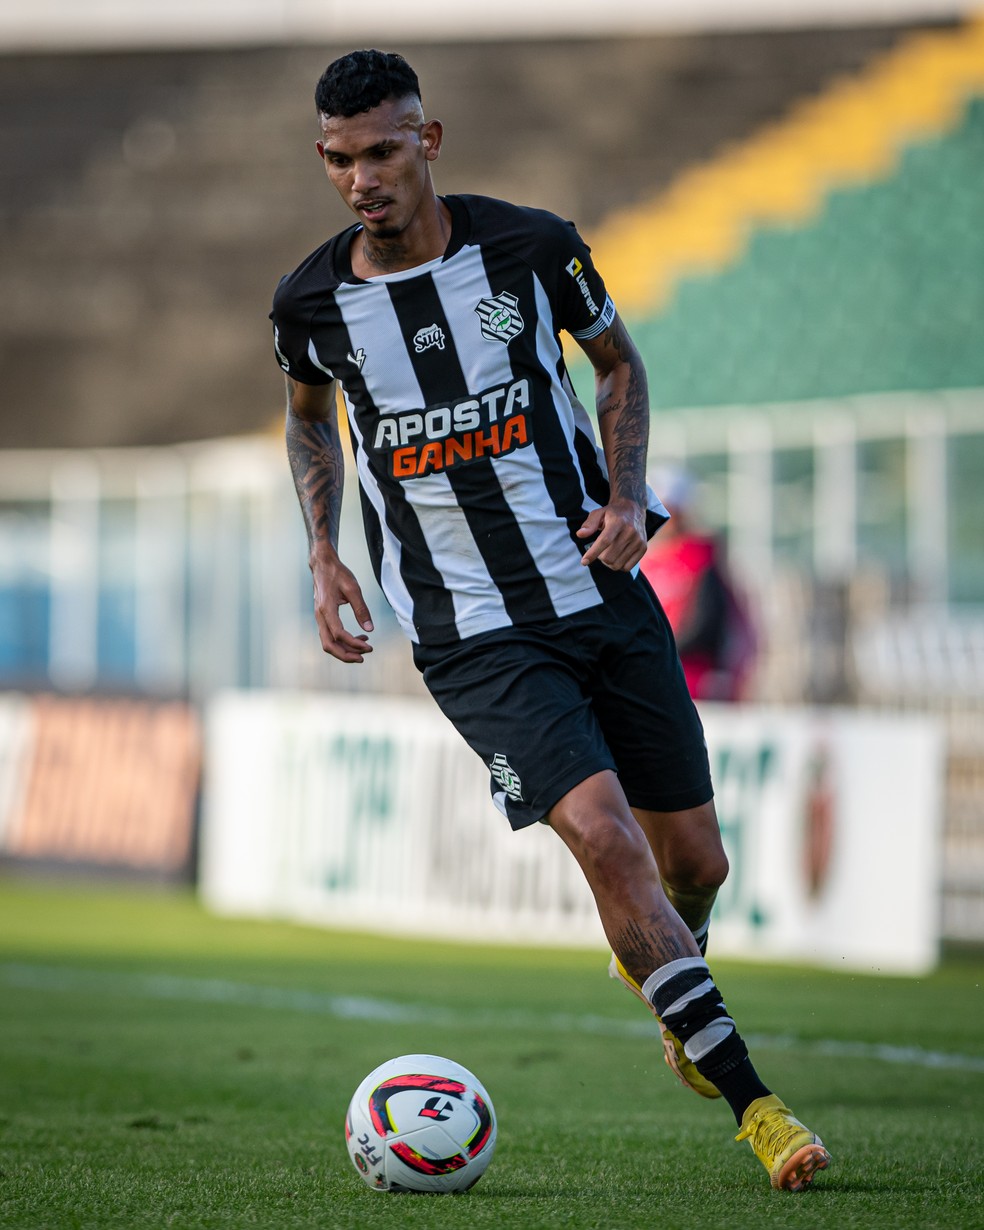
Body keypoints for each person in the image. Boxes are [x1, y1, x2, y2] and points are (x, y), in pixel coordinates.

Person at [271, 49, 830, 1193]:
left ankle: (663, 966)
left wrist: (626, 499)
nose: (361, 179)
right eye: (338, 159)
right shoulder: (310, 304)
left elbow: (617, 366)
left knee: (696, 861)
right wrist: (324, 552)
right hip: (473, 633)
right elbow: (308, 418)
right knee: (606, 839)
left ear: (428, 141)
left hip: (599, 589)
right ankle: (760, 1108)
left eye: (381, 151)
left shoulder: (531, 247)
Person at [639, 470, 757, 702]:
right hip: (657, 674)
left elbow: (706, 625)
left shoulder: (700, 557)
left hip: (692, 678)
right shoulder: (648, 560)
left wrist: (655, 651)